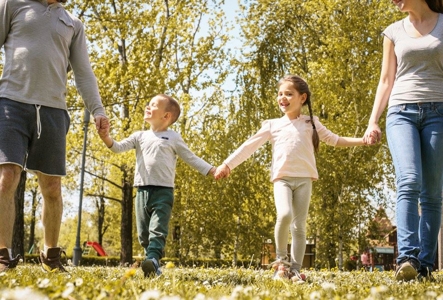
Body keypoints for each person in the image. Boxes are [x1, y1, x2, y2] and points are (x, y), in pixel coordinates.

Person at [215, 75, 366, 282]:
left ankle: (295, 269)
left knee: (299, 226)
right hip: (282, 179)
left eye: (288, 94)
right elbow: (249, 146)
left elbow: (335, 140)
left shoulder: (311, 123)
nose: (282, 98)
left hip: (304, 179)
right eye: (280, 94)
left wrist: (362, 141)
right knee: (284, 214)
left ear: (302, 98)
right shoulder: (272, 125)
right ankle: (280, 262)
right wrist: (227, 164)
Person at [0, 0, 109, 272]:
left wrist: (97, 109)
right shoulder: (12, 5)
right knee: (6, 178)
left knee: (52, 188)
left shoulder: (73, 23)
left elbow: (83, 72)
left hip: (53, 110)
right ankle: (2, 255)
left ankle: (50, 256)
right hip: (10, 103)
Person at [363, 0, 443, 282]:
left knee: (432, 193)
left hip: (438, 112)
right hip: (401, 112)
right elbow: (386, 79)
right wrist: (373, 120)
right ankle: (406, 258)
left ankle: (425, 265)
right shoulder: (393, 31)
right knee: (409, 180)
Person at [98, 94, 215, 277]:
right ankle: (152, 265)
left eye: (153, 105)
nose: (148, 106)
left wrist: (211, 170)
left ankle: (153, 259)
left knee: (157, 230)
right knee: (143, 235)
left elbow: (190, 157)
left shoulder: (173, 137)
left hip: (163, 192)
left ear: (166, 116)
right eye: (148, 103)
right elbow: (117, 147)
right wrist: (106, 137)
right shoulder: (140, 136)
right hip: (142, 190)